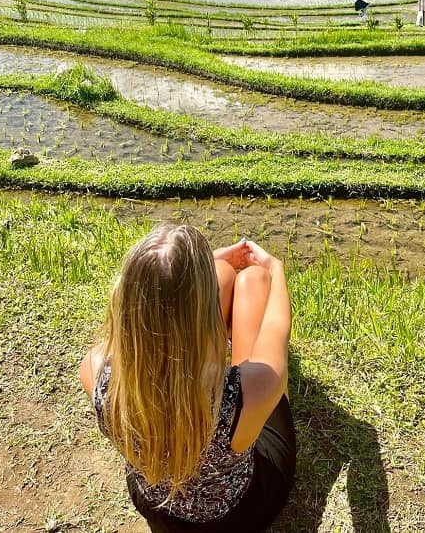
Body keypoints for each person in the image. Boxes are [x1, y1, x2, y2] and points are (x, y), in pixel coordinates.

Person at [80, 225, 295, 533]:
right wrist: (276, 270)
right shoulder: (254, 388)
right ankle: (235, 285)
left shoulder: (94, 368)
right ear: (203, 316)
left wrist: (206, 267)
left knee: (223, 272)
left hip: (160, 510)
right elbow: (276, 327)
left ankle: (206, 278)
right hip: (241, 514)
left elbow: (145, 316)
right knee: (254, 281)